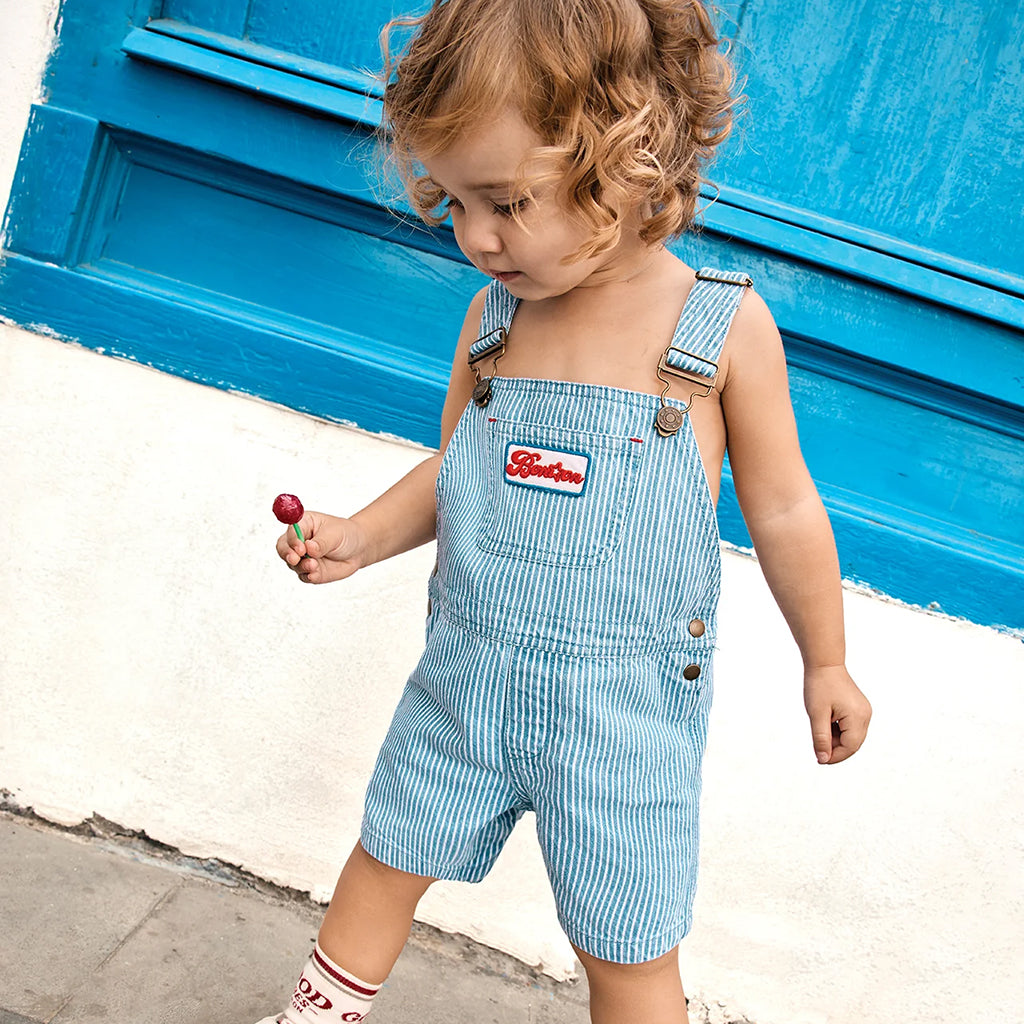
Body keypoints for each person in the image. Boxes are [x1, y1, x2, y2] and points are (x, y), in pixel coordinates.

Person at [259, 1, 872, 1021]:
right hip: (467, 680)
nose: (477, 238)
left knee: (627, 942)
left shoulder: (720, 331)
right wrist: (361, 536)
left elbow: (786, 510)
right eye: (454, 204)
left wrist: (826, 657)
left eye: (505, 201)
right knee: (385, 856)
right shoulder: (492, 323)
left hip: (622, 719)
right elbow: (459, 468)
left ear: (629, 157)